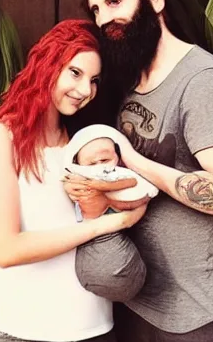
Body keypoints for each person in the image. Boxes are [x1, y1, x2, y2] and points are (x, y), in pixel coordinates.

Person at [66, 0, 213, 342]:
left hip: (198, 313)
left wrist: (133, 160)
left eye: (115, 2)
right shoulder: (130, 81)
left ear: (155, 0)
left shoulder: (201, 81)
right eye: (96, 9)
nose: (104, 18)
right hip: (138, 303)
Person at [0, 19, 146, 342]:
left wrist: (116, 207)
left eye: (94, 80)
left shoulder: (83, 146)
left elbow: (118, 204)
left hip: (94, 340)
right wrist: (114, 222)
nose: (85, 89)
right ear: (47, 64)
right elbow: (6, 249)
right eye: (75, 73)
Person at [62, 124, 158, 302]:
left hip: (116, 239)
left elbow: (130, 184)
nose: (99, 166)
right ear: (78, 164)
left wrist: (104, 190)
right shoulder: (78, 177)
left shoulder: (119, 174)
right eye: (91, 163)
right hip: (89, 244)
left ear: (118, 158)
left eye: (105, 160)